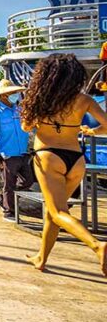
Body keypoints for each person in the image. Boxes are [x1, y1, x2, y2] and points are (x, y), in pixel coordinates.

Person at [19, 53, 107, 276]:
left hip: (49, 156)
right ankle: (41, 258)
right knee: (53, 212)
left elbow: (26, 127)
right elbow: (106, 126)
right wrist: (91, 131)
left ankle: (98, 246)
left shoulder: (40, 98)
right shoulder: (83, 100)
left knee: (58, 211)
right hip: (76, 160)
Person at [0, 79, 34, 220]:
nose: (15, 95)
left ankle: (3, 198)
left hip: (23, 152)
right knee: (9, 183)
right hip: (7, 153)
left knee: (27, 181)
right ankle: (9, 211)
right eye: (12, 93)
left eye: (15, 93)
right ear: (3, 96)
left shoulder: (20, 110)